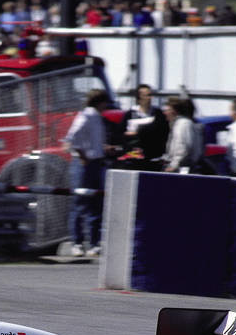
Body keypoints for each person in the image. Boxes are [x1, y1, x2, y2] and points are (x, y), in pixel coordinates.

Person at [64, 88, 113, 257]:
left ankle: (91, 243)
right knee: (82, 203)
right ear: (100, 102)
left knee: (94, 203)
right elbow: (72, 137)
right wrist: (82, 154)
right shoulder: (88, 115)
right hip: (86, 164)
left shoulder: (96, 117)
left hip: (96, 162)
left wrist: (103, 148)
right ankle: (78, 242)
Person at [115, 83, 168, 168]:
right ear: (138, 98)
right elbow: (120, 134)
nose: (149, 98)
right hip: (133, 158)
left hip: (152, 158)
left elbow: (163, 134)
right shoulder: (130, 114)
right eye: (146, 95)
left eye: (150, 95)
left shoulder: (158, 114)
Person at [161, 96, 204, 173]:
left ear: (174, 111)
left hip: (181, 169)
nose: (164, 113)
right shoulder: (178, 124)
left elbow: (181, 148)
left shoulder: (183, 124)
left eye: (167, 110)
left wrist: (174, 166)